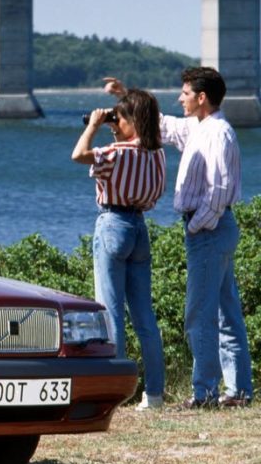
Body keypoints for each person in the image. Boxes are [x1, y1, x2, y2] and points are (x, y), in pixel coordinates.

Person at [106, 68, 253, 408]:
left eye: (185, 93)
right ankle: (239, 391)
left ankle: (204, 393)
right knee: (226, 311)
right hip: (215, 229)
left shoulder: (218, 132)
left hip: (210, 230)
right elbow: (161, 124)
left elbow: (218, 189)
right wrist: (124, 96)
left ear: (202, 98)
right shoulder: (198, 127)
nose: (180, 98)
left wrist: (196, 225)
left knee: (198, 313)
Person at [72, 89, 167, 409]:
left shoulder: (116, 153)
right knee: (144, 317)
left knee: (110, 312)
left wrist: (94, 124)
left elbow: (79, 154)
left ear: (133, 120)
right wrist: (114, 122)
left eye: (119, 119)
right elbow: (156, 194)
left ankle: (115, 393)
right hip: (140, 227)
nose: (116, 123)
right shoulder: (158, 154)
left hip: (113, 223)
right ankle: (153, 394)